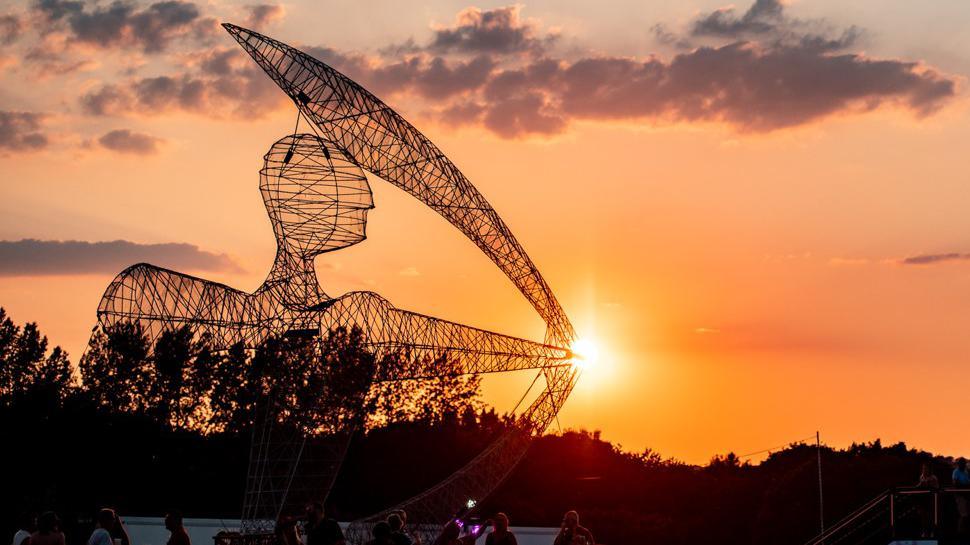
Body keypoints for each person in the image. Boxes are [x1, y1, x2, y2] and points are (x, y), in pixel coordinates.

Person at [916, 463, 940, 538]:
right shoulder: (921, 477)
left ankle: (932, 532)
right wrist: (921, 484)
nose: (924, 470)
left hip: (931, 500)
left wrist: (930, 484)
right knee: (924, 517)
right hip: (923, 500)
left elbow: (937, 487)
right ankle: (924, 532)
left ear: (929, 469)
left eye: (925, 468)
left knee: (931, 517)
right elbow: (917, 487)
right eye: (923, 468)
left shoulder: (933, 478)